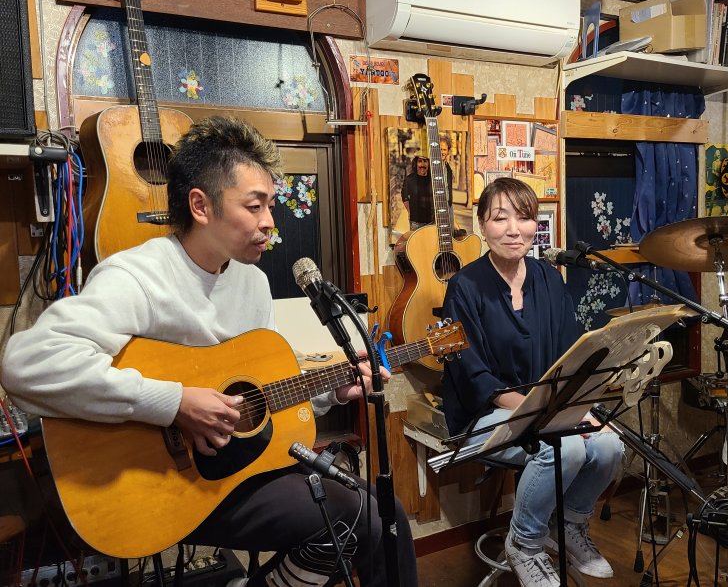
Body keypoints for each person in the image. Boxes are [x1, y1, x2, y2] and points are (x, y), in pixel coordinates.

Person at [1, 116, 418, 587]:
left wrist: (333, 392)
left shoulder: (252, 282)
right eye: (254, 206)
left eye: (271, 206)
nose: (269, 222)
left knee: (388, 515)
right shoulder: (138, 276)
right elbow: (26, 364)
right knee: (356, 516)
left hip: (239, 470)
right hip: (167, 487)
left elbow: (261, 393)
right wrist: (174, 402)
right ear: (201, 205)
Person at [440, 177, 622, 587]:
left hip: (550, 409)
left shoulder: (548, 278)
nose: (513, 230)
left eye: (523, 218)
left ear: (535, 224)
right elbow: (473, 376)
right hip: (484, 414)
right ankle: (524, 542)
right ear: (482, 225)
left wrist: (582, 410)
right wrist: (543, 415)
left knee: (609, 445)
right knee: (565, 447)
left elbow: (571, 354)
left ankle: (569, 525)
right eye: (499, 218)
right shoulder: (464, 288)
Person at [400, 155, 465, 236]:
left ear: (429, 163)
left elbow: (443, 197)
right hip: (415, 222)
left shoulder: (433, 180)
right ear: (416, 163)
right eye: (420, 161)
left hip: (432, 221)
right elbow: (404, 196)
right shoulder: (409, 179)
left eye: (425, 161)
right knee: (417, 243)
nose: (422, 165)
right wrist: (409, 211)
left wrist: (453, 221)